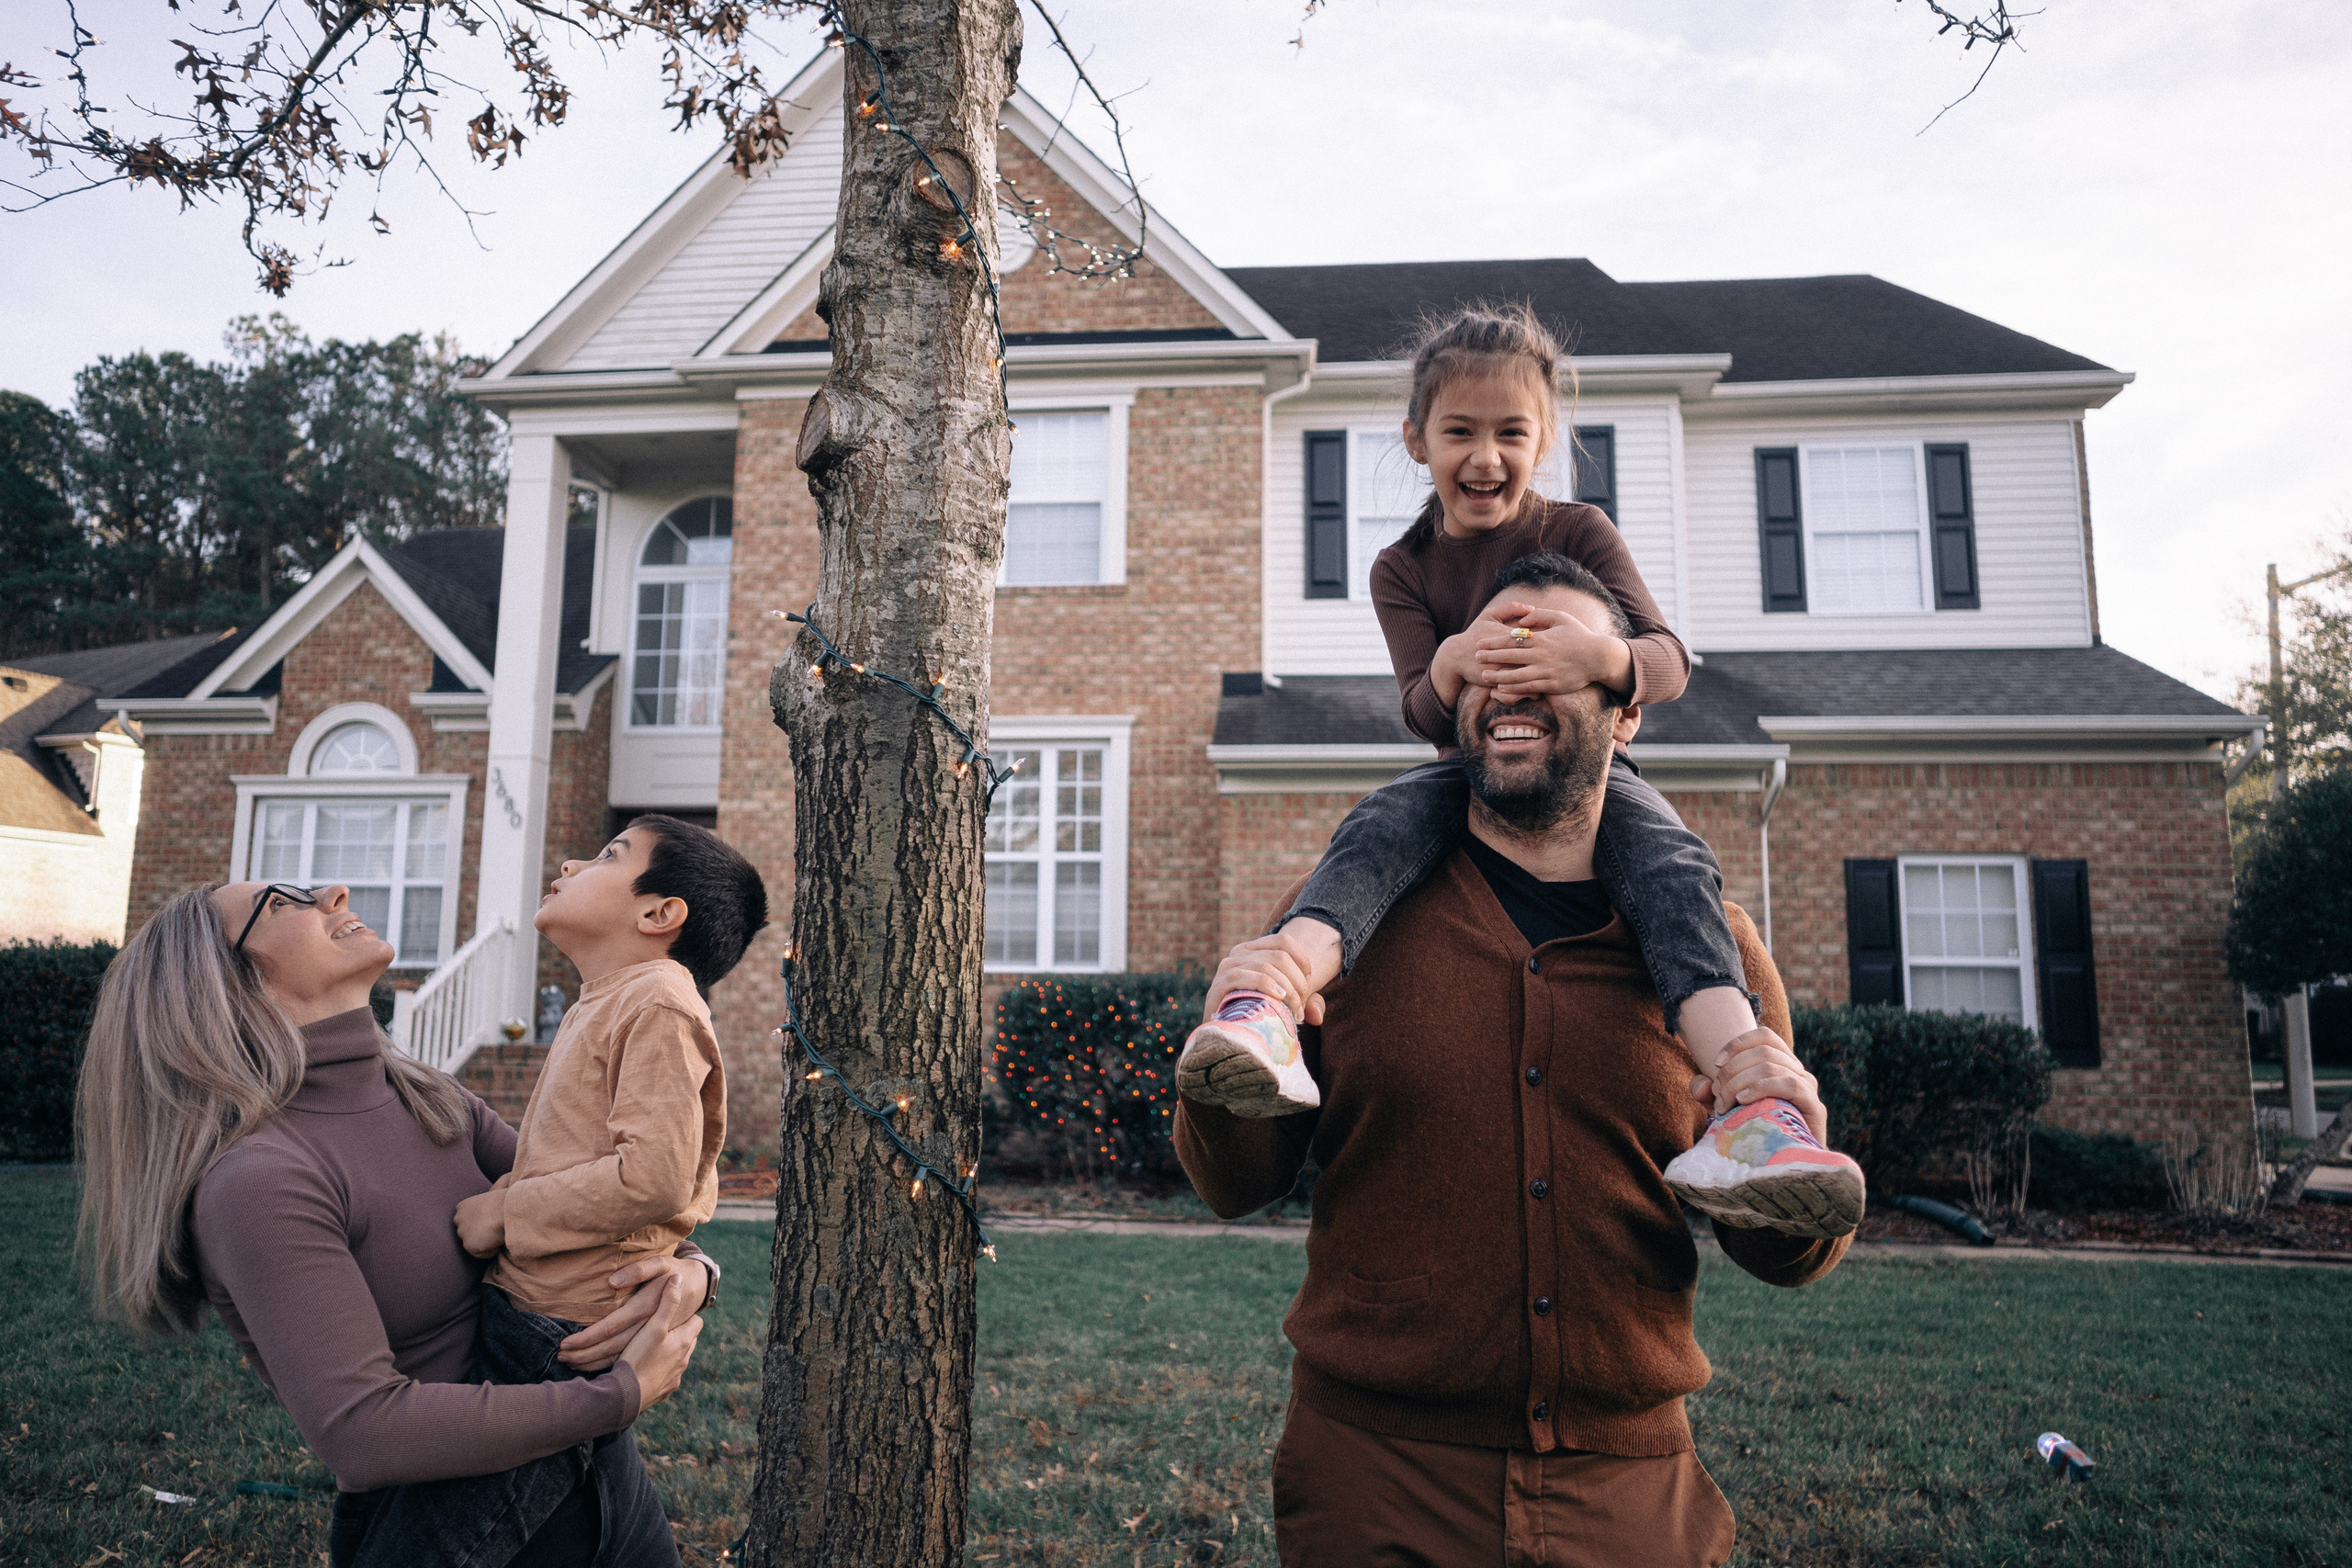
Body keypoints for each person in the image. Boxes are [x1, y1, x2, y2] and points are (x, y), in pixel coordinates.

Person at [1177, 556, 1854, 1565]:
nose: (1511, 685)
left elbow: (1784, 1256)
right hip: (1375, 1477)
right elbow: (1234, 1186)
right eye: (1491, 662)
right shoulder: (1336, 928)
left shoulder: (1716, 958)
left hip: (1627, 1490)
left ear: (1625, 713)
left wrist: (1795, 1146)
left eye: (1553, 664)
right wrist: (1222, 1072)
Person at [1176, 304, 1862, 1236]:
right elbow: (1422, 709)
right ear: (1416, 440)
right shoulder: (1402, 568)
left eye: (1511, 433)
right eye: (1459, 431)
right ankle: (1268, 1001)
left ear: (1544, 442)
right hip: (1460, 769)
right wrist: (1452, 664)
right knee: (1380, 824)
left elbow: (1667, 660)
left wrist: (1598, 658)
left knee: (1673, 868)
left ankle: (1757, 1112)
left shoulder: (1581, 531)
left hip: (1608, 781)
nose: (1486, 456)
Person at [75, 878, 711, 1568]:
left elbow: (603, 1206)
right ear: (226, 985)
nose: (334, 891)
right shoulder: (260, 1178)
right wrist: (617, 1395)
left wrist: (692, 1274)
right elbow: (364, 1432)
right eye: (282, 902)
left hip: (607, 1486)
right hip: (456, 1526)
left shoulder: (430, 1097)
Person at [453, 817, 766, 1407]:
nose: (570, 865)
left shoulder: (658, 1002)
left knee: (516, 1466)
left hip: (565, 1327)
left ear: (657, 914)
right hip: (539, 1306)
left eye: (608, 856)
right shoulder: (610, 999)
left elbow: (654, 1178)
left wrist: (506, 1212)